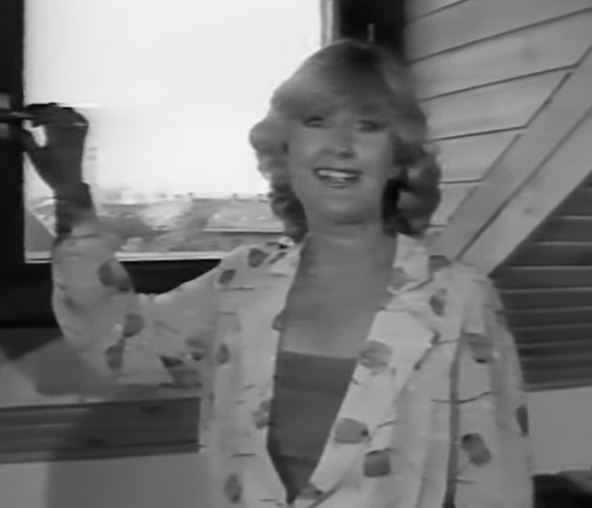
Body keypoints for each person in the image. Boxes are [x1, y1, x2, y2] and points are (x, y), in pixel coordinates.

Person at [20, 39, 533, 508]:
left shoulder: (459, 298)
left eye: (368, 126)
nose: (340, 145)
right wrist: (71, 194)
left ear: (398, 159)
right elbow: (118, 341)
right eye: (317, 121)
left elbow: (496, 486)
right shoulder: (243, 282)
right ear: (285, 150)